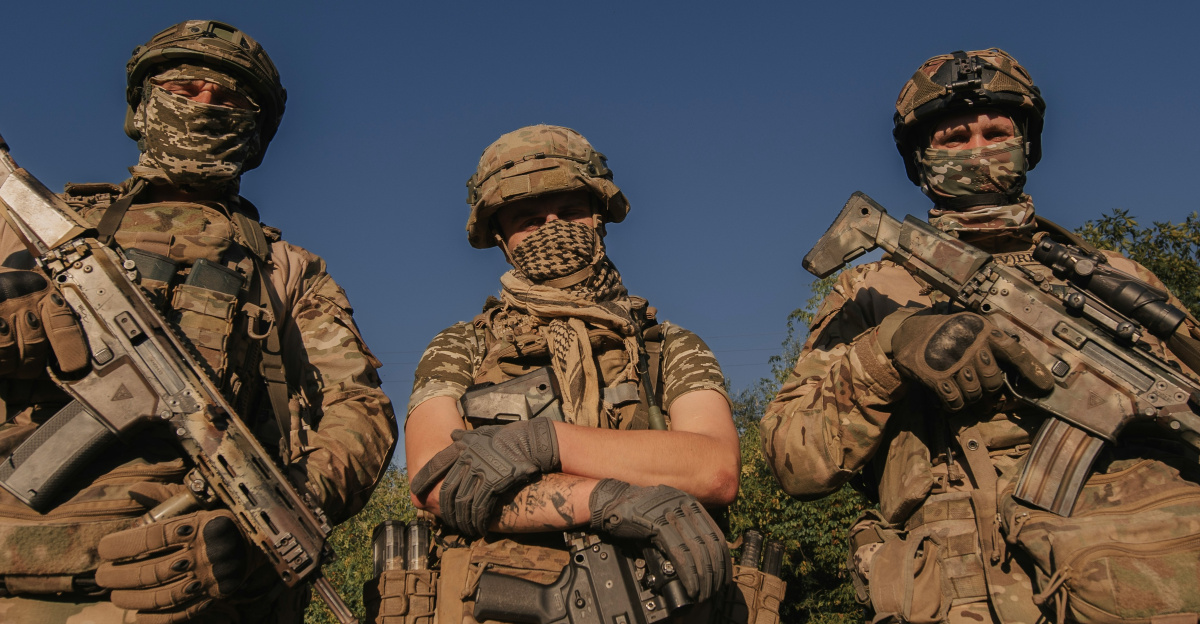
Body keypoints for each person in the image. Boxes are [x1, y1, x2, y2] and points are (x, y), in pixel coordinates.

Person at [760, 49, 1200, 624]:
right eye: (954, 138)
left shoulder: (1115, 280)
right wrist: (890, 346)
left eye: (995, 131)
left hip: (1139, 583)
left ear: (1027, 145)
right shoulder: (875, 289)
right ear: (921, 160)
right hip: (961, 596)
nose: (979, 150)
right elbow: (794, 460)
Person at [0, 20, 396, 623]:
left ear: (255, 133)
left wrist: (278, 513)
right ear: (144, 106)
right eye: (184, 89)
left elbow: (359, 410)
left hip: (197, 572)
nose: (204, 107)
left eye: (230, 100)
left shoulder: (287, 272)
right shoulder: (36, 228)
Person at [400, 124, 738, 624]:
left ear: (599, 216)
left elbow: (713, 467)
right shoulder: (463, 345)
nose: (552, 226)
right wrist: (603, 498)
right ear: (500, 237)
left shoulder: (664, 345)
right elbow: (435, 480)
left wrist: (547, 443)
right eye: (528, 219)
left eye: (570, 210)